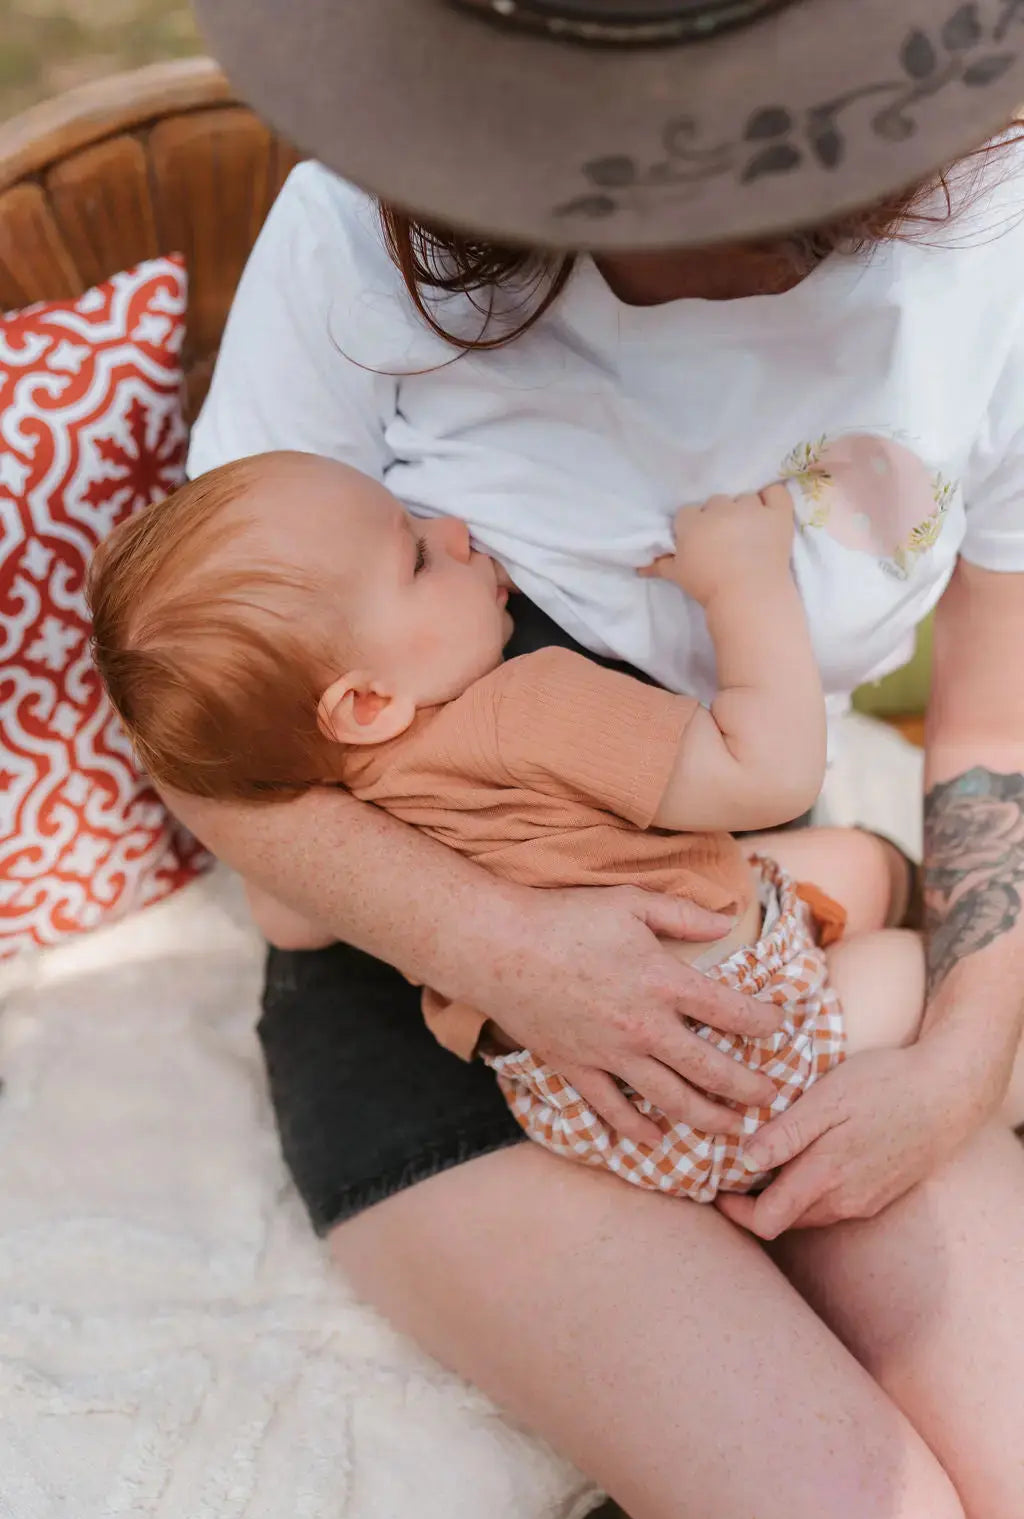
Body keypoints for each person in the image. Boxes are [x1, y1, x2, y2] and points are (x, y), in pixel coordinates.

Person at [165, 1, 1024, 1519]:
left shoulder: (997, 248)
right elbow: (213, 749)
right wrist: (502, 946)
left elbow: (996, 728)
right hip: (423, 1002)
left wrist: (961, 1066)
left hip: (734, 938)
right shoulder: (370, 223)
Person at [94, 451, 987, 1202]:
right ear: (365, 701)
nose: (451, 532)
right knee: (919, 970)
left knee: (847, 865)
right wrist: (743, 583)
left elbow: (287, 920)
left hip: (588, 1112)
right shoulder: (528, 705)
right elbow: (769, 771)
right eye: (414, 557)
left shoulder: (342, 806)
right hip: (738, 1062)